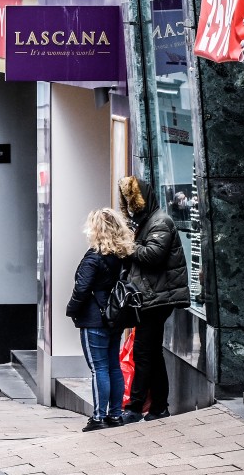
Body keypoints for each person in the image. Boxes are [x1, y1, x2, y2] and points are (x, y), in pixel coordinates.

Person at [117, 176, 191, 424]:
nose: (131, 206)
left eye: (133, 201)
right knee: (152, 353)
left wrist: (129, 245)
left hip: (157, 298)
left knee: (143, 353)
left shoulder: (160, 221)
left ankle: (136, 407)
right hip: (152, 296)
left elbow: (152, 255)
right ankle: (159, 406)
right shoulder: (148, 221)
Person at [66, 209, 133, 432]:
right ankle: (115, 414)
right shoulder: (122, 257)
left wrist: (72, 309)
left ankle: (98, 417)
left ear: (97, 230)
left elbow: (81, 289)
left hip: (94, 319)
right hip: (115, 317)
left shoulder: (93, 258)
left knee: (99, 368)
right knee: (113, 366)